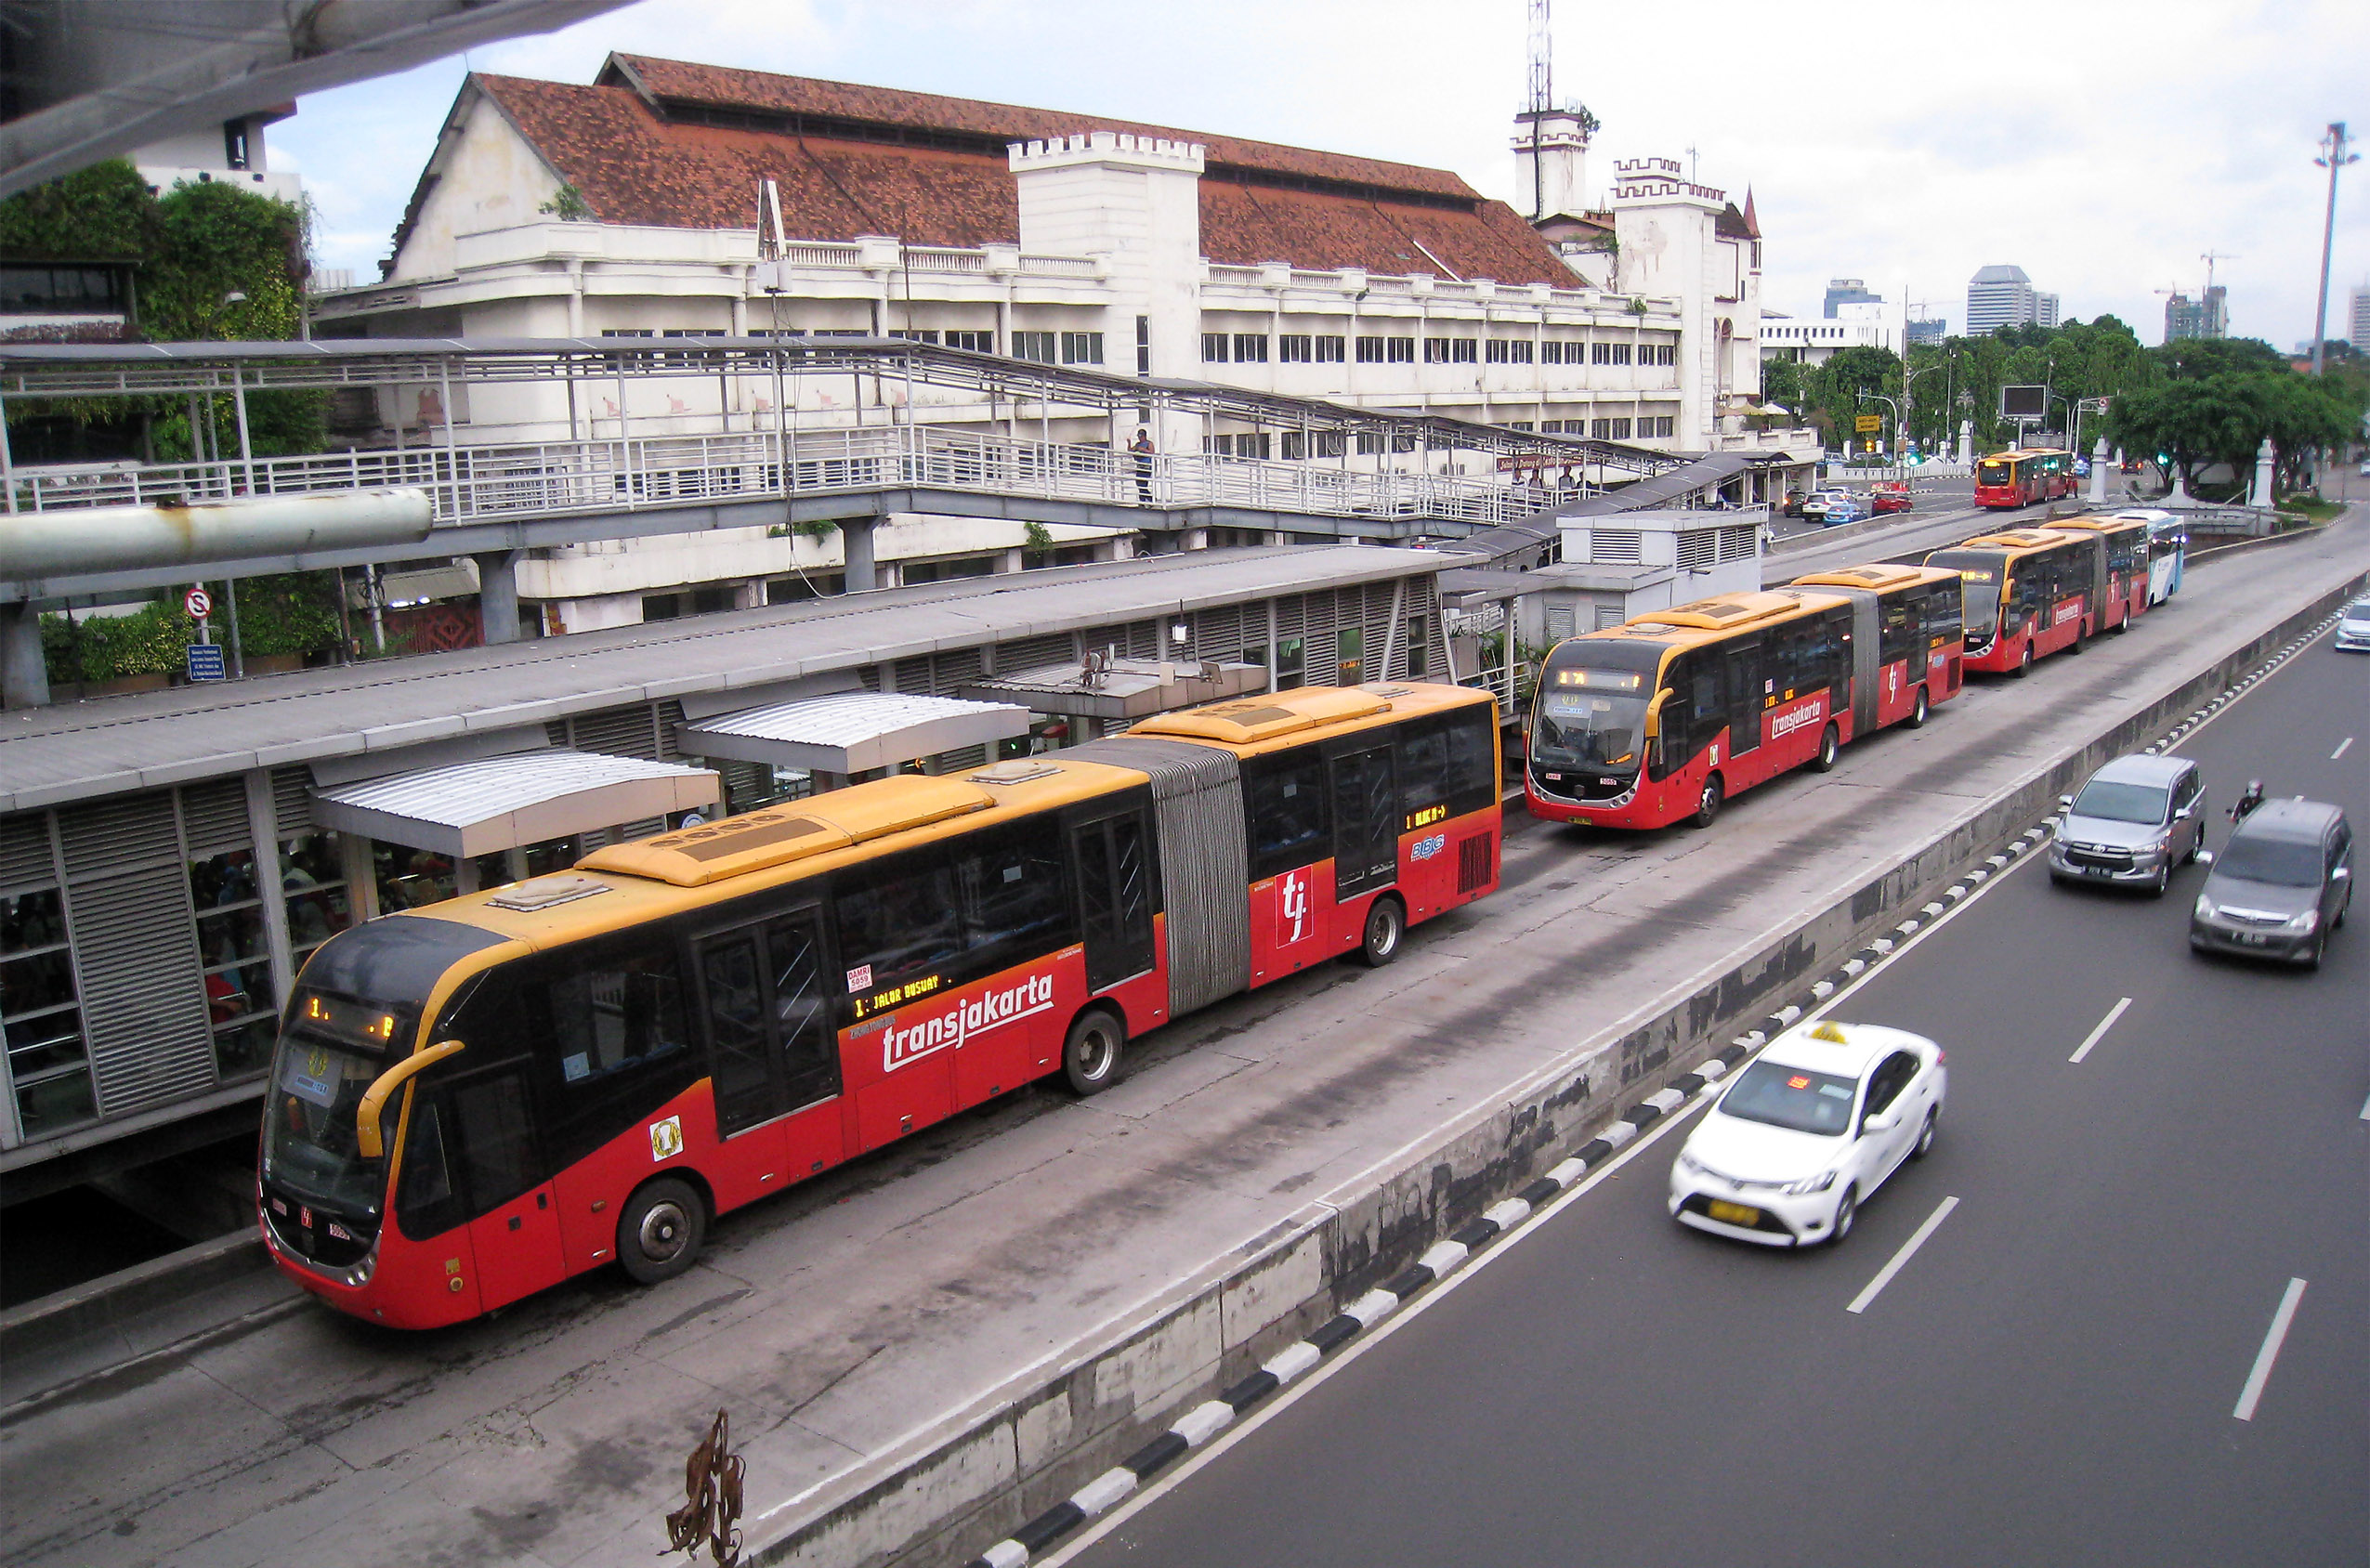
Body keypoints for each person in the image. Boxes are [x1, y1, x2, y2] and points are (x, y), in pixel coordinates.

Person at [1130, 428, 1155, 505]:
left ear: (1144, 436)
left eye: (1141, 436)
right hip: (1139, 466)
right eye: (1139, 436)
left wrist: (1143, 450)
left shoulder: (1149, 443)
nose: (1140, 438)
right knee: (1139, 484)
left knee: (1143, 484)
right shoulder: (1137, 444)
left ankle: (1148, 499)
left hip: (1146, 466)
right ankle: (1144, 501)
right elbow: (1130, 450)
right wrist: (1129, 443)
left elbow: (1152, 452)